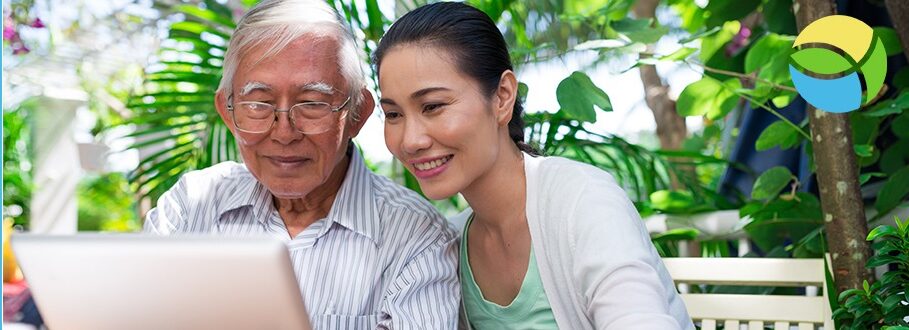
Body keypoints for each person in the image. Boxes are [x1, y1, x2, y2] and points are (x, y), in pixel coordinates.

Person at [374, 2, 694, 329]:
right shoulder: (448, 245)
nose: (410, 140)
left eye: (433, 106)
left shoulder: (582, 202)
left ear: (501, 97)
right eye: (394, 114)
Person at [143, 0, 459, 328]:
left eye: (312, 104)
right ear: (228, 112)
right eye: (258, 104)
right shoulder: (190, 206)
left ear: (357, 115)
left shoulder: (416, 238)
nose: (284, 133)